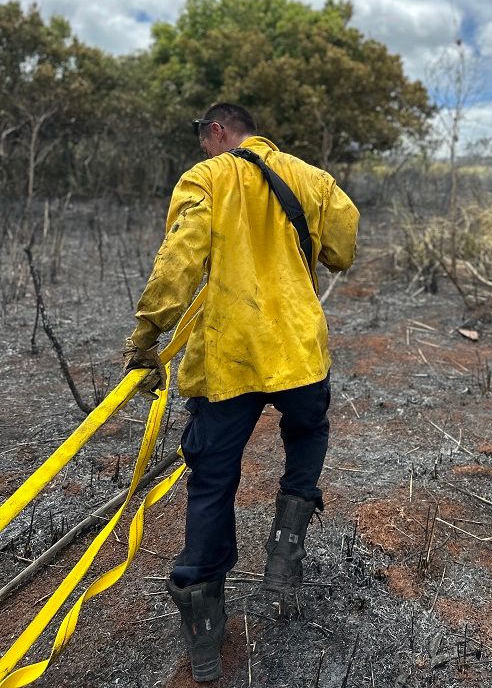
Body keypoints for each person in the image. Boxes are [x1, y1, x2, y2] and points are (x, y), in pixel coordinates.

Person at [122, 103, 359, 682]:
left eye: (206, 140)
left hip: (231, 358)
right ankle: (286, 546)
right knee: (308, 429)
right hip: (299, 351)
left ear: (219, 131)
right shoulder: (312, 179)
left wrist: (148, 334)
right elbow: (342, 250)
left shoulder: (206, 177)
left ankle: (205, 632)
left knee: (211, 480)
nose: (205, 150)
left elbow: (180, 258)